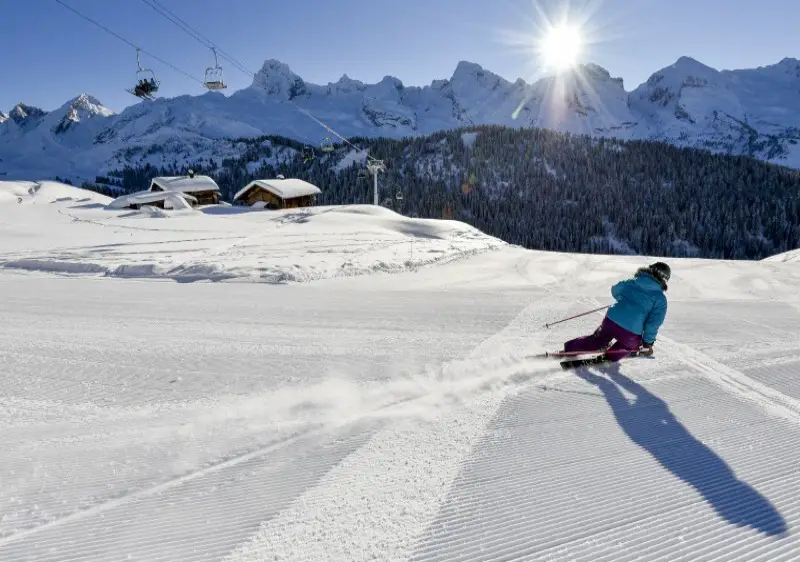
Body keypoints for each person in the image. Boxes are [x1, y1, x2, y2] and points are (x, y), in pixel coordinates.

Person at [562, 262, 670, 362]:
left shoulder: (632, 282)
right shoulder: (660, 299)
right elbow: (653, 324)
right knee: (629, 345)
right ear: (664, 280)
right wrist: (647, 344)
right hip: (631, 331)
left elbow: (615, 290)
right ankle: (609, 357)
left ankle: (569, 349)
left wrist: (623, 299)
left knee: (596, 340)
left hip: (611, 320)